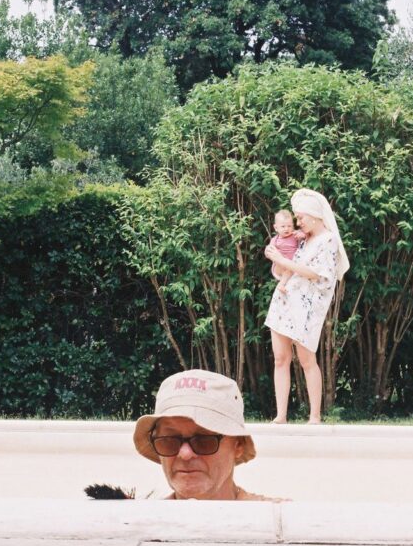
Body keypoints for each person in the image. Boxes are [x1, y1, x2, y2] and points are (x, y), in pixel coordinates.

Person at [263, 188, 350, 424]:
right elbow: (284, 268)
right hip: (284, 301)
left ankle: (314, 415)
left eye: (300, 217)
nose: (298, 222)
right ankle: (281, 415)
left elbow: (318, 274)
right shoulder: (300, 239)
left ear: (314, 216)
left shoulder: (328, 240)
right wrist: (276, 259)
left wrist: (281, 260)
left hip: (306, 308)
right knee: (280, 359)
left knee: (306, 360)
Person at [133, 369, 278, 501]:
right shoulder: (138, 518)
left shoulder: (276, 516)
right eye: (169, 441)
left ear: (238, 445)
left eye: (204, 440)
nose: (185, 454)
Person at [269, 208, 306, 294]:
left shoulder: (295, 235)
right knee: (287, 268)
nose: (286, 229)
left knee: (290, 269)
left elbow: (306, 236)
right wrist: (269, 253)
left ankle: (283, 284)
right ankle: (281, 284)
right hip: (279, 266)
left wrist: (302, 235)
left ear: (293, 225)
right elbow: (269, 251)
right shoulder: (275, 240)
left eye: (289, 226)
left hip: (291, 266)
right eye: (283, 226)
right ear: (276, 228)